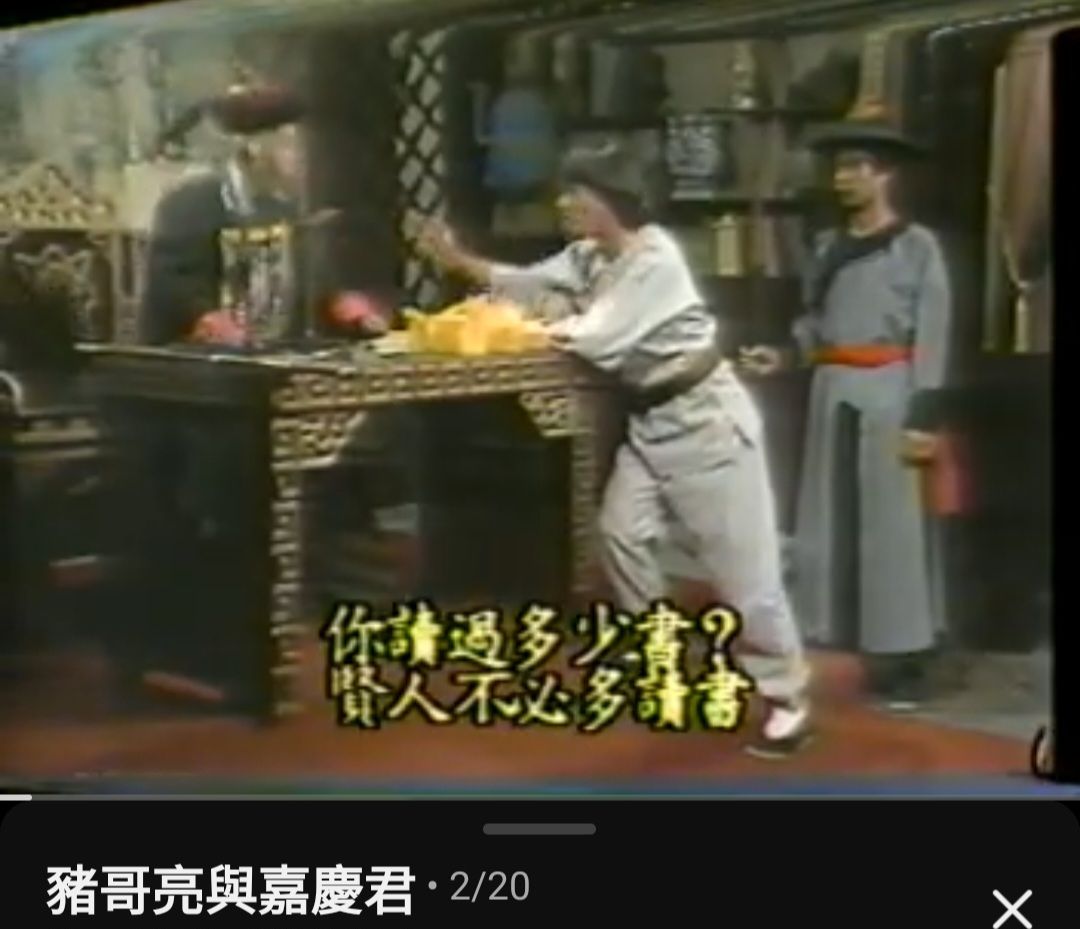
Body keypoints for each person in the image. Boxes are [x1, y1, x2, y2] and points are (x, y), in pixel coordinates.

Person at [418, 140, 812, 757]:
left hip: (706, 424)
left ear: (613, 200)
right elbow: (527, 284)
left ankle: (786, 698)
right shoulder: (588, 256)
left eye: (578, 194)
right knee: (621, 533)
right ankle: (661, 653)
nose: (565, 204)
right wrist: (459, 260)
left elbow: (597, 336)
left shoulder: (656, 259)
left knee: (745, 577)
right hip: (649, 423)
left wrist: (513, 329)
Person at [741, 107, 952, 709]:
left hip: (890, 391)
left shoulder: (917, 248)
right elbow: (815, 322)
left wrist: (924, 413)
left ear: (885, 174)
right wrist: (785, 355)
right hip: (831, 390)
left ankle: (903, 654)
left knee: (894, 527)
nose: (844, 179)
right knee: (829, 520)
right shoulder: (829, 246)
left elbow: (934, 330)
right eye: (838, 168)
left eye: (856, 167)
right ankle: (837, 637)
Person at [140, 84, 386, 347]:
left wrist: (339, 304)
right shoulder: (192, 202)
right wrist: (203, 316)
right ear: (255, 148)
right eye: (290, 146)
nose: (301, 159)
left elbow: (306, 282)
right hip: (193, 360)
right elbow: (173, 286)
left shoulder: (282, 207)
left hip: (268, 353)